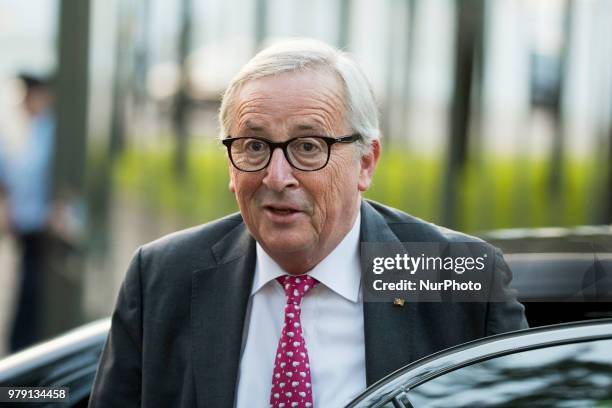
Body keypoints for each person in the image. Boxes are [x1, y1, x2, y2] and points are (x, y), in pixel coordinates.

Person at [89, 39, 527, 408]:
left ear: (366, 163)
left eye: (309, 147)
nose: (277, 177)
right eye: (255, 145)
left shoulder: (454, 275)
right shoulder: (164, 276)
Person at [0, 73, 55, 352]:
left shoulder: (51, 132)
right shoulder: (25, 130)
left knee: (33, 290)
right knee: (25, 288)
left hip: (42, 225)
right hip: (25, 223)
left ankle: (25, 350)